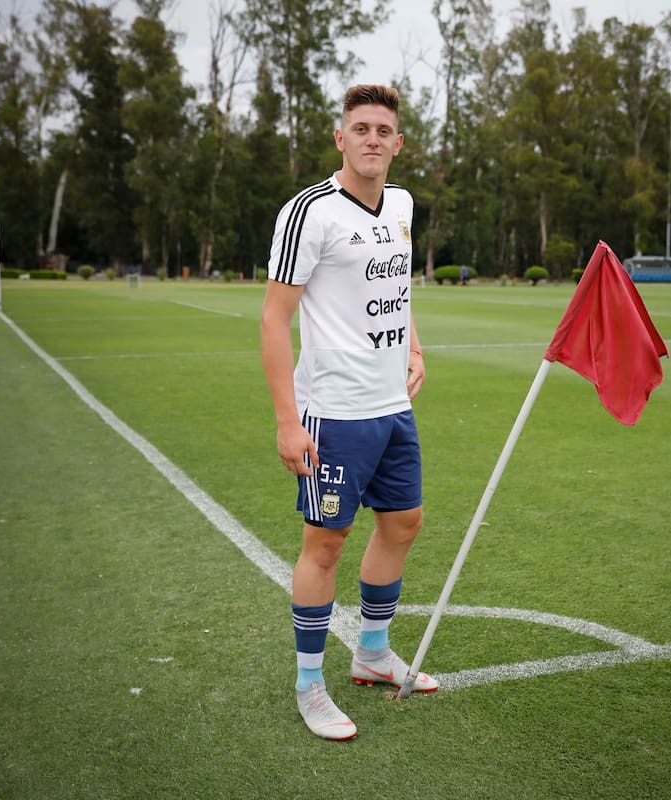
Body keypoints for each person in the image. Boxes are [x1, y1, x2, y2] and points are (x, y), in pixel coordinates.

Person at [260, 84, 438, 742]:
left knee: (404, 523)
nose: (371, 138)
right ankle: (310, 683)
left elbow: (398, 283)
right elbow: (275, 319)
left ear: (397, 142)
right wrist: (287, 419)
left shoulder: (401, 203)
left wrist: (415, 344)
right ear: (341, 138)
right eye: (359, 127)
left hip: (394, 406)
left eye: (382, 129)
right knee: (325, 544)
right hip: (333, 412)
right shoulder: (309, 212)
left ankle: (371, 654)